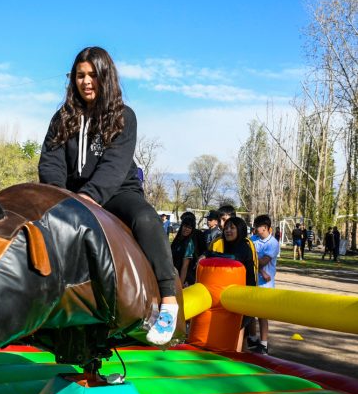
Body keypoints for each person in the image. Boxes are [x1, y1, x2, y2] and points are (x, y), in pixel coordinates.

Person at [37, 46, 178, 345]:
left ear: (106, 77)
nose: (86, 82)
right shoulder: (62, 118)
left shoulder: (123, 116)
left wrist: (89, 196)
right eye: (79, 75)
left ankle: (168, 302)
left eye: (92, 75)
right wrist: (59, 197)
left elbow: (115, 166)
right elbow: (50, 161)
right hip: (72, 195)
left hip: (116, 192)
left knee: (145, 218)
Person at [249, 214, 280, 355]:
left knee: (262, 315)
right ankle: (252, 338)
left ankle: (264, 344)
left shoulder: (272, 243)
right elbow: (249, 258)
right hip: (251, 282)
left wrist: (254, 259)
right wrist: (260, 269)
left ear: (265, 228)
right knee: (249, 312)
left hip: (265, 286)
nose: (255, 229)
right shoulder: (252, 239)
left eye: (257, 226)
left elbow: (262, 261)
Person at [209, 217, 258, 288]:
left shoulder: (244, 246)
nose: (228, 230)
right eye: (226, 228)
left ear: (240, 230)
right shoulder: (227, 244)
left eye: (232, 228)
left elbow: (233, 258)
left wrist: (209, 254)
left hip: (243, 292)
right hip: (229, 289)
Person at [170, 214, 201, 287]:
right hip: (173, 275)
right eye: (185, 226)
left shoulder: (189, 244)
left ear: (192, 230)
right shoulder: (177, 240)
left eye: (189, 228)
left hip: (183, 279)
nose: (186, 229)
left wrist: (180, 285)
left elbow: (185, 266)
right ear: (181, 226)